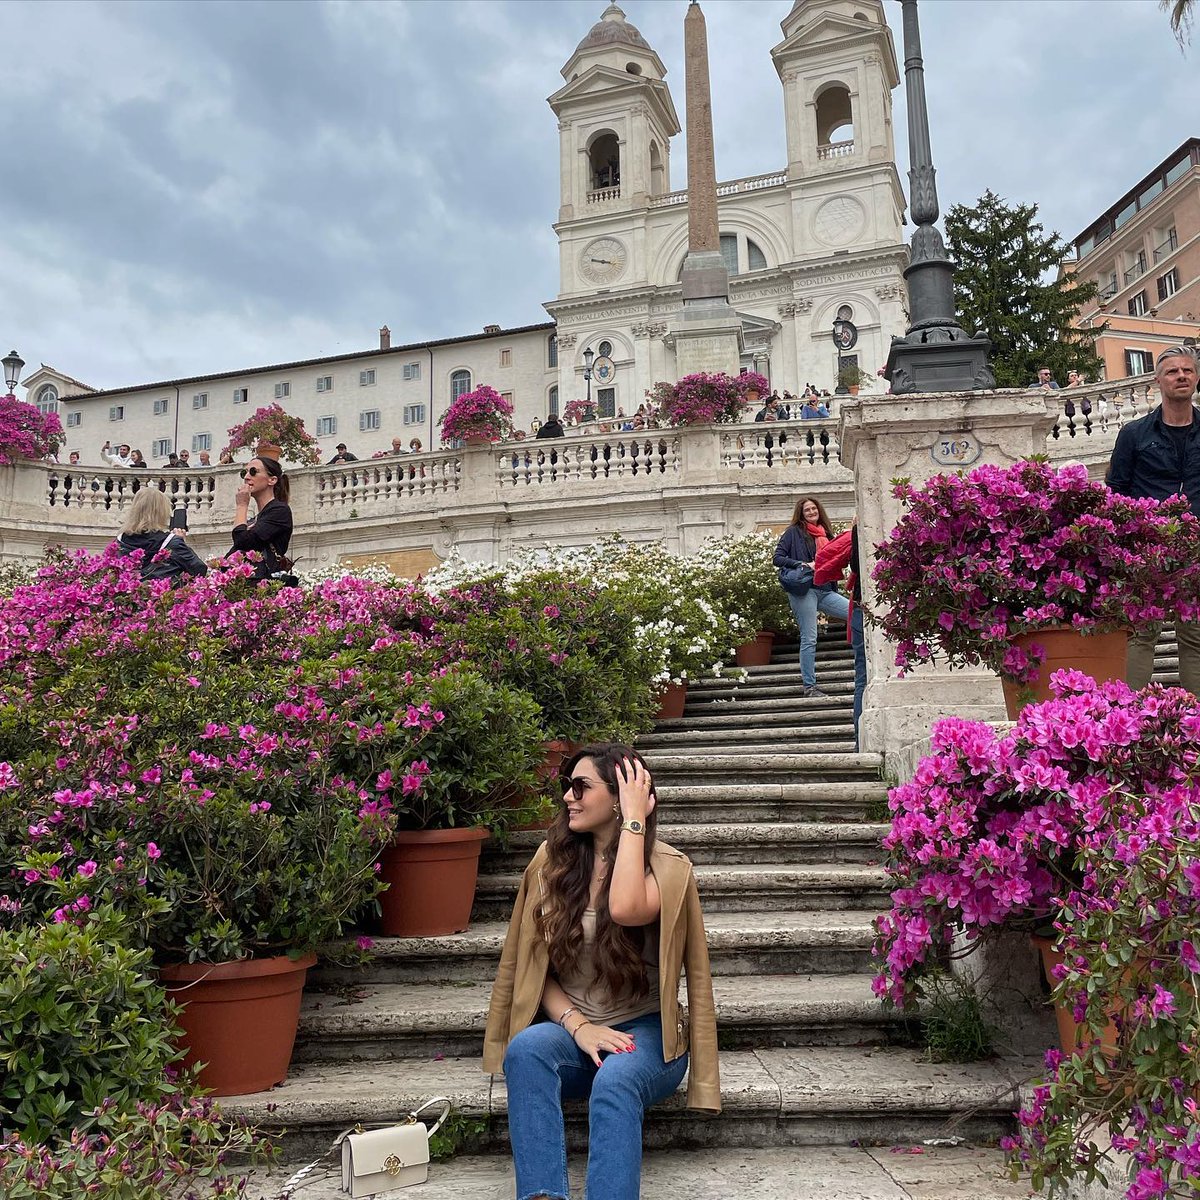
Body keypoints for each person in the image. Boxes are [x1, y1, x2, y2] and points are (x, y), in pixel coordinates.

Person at [484, 744, 719, 1200]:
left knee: (615, 1080)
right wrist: (580, 1027)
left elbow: (626, 907)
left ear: (620, 797)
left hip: (647, 1035)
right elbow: (533, 967)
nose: (569, 797)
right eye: (566, 787)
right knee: (527, 1051)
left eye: (581, 786)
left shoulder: (668, 871)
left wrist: (632, 822)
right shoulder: (551, 863)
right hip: (576, 1028)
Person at [1106, 346, 1200, 693]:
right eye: (1173, 371)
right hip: (1148, 545)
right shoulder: (1134, 433)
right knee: (1141, 632)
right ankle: (1125, 716)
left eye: (1188, 371)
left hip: (1196, 544)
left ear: (1197, 378)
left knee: (1195, 636)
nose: (1181, 376)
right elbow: (1115, 490)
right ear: (1158, 380)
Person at [773, 496, 850, 698]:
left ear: (819, 511)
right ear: (801, 513)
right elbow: (777, 558)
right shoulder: (793, 532)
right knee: (810, 638)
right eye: (807, 510)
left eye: (814, 509)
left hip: (825, 589)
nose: (811, 512)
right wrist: (803, 564)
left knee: (856, 612)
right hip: (804, 590)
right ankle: (810, 687)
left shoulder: (826, 533)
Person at [815, 520, 865, 749]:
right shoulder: (859, 530)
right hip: (865, 607)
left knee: (862, 678)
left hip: (859, 606)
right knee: (863, 678)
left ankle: (860, 742)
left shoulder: (854, 531)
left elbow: (829, 559)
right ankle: (860, 741)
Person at [114, 488, 207, 583]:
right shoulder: (171, 542)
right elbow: (199, 570)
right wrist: (181, 544)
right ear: (161, 512)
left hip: (128, 595)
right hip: (160, 595)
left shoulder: (120, 541)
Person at [229, 456, 293, 581]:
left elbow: (242, 542)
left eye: (253, 472)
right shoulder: (259, 518)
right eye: (245, 472)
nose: (247, 477)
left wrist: (242, 505)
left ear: (272, 480)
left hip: (262, 585)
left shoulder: (279, 511)